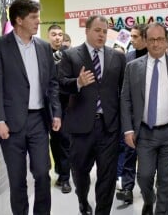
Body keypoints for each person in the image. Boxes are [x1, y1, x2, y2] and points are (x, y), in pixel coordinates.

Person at [0, 0, 61, 215]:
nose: (39, 22)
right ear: (19, 20)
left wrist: (56, 112)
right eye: (33, 17)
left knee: (41, 173)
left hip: (39, 120)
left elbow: (52, 83)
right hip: (10, 123)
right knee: (17, 178)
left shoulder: (44, 47)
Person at [121, 23, 168, 215]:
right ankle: (148, 199)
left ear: (166, 40)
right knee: (144, 177)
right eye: (151, 39)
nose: (156, 44)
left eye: (160, 39)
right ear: (145, 41)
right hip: (144, 132)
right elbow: (126, 99)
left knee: (167, 180)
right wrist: (128, 129)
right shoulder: (133, 67)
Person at [59, 15, 126, 215]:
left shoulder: (118, 57)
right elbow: (61, 84)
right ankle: (82, 199)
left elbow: (123, 91)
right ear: (87, 31)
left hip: (109, 126)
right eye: (97, 30)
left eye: (105, 31)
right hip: (81, 127)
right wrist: (77, 83)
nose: (101, 35)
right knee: (80, 171)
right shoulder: (71, 56)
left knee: (107, 175)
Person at [116, 23, 147, 205]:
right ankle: (127, 188)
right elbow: (121, 89)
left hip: (152, 117)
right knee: (129, 152)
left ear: (144, 38)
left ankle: (148, 187)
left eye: (135, 37)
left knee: (148, 156)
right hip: (131, 115)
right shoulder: (127, 58)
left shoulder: (156, 58)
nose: (131, 40)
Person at [47, 24, 72, 194]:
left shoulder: (68, 56)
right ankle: (59, 171)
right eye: (54, 34)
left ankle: (65, 177)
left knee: (64, 140)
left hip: (64, 105)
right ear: (48, 36)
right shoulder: (42, 53)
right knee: (53, 141)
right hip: (45, 105)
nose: (57, 37)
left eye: (60, 35)